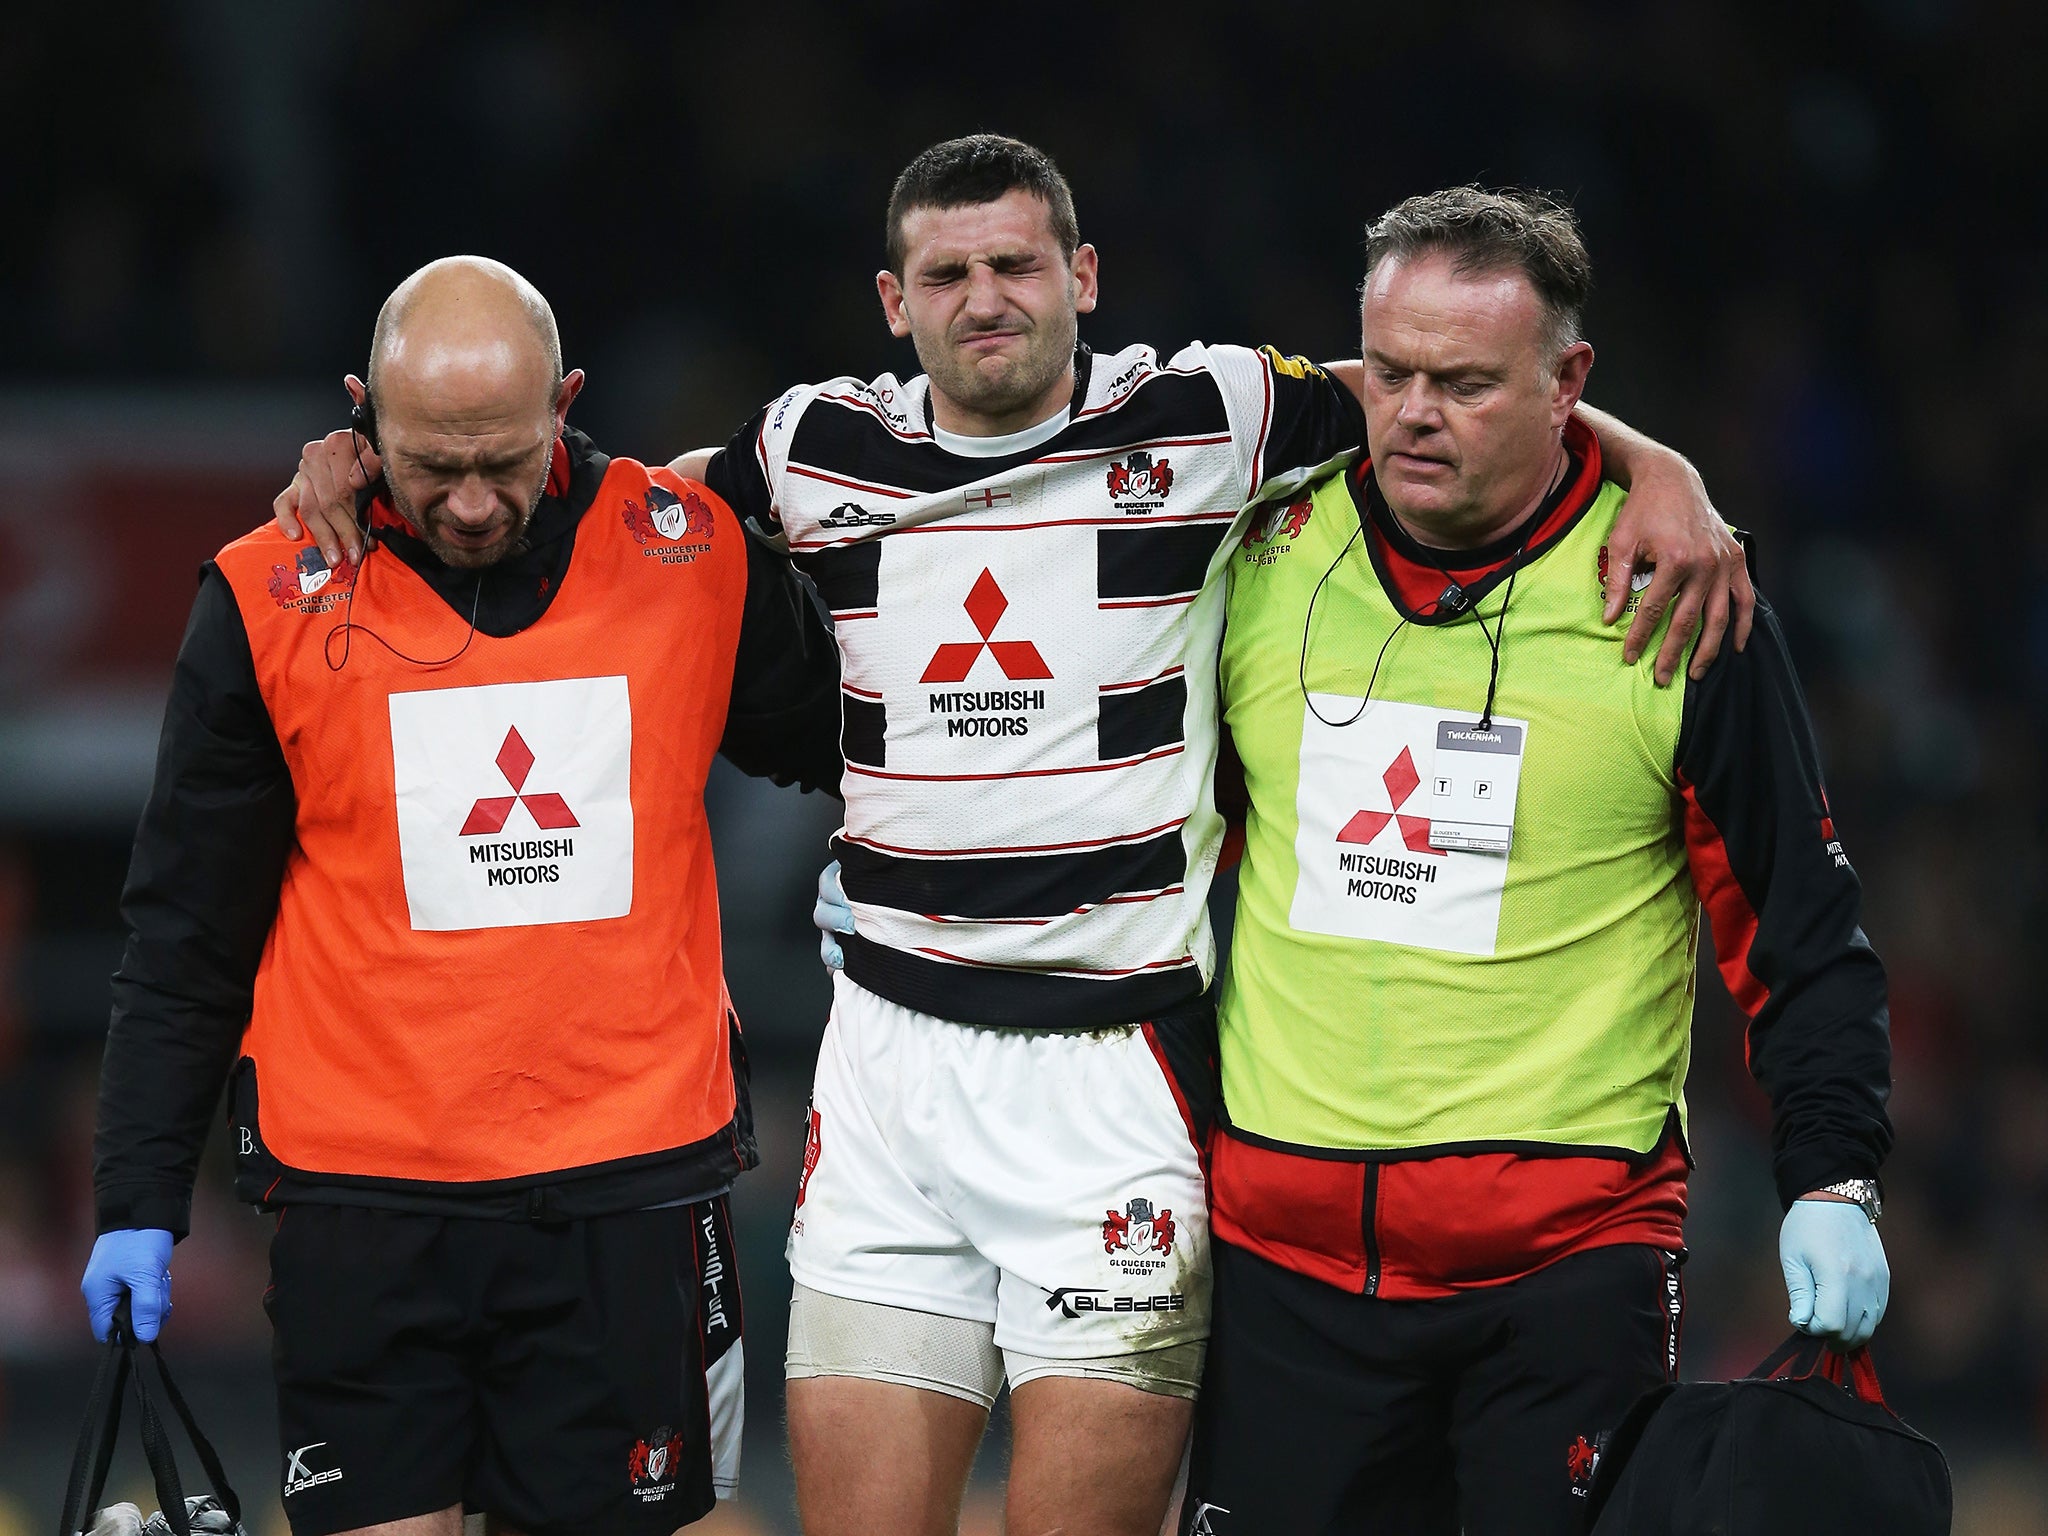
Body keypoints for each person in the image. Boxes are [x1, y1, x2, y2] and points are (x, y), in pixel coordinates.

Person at [277, 137, 1752, 1536]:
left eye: (1018, 265)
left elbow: (1446, 389)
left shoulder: (1214, 417)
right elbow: (574, 506)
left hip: (1114, 1078)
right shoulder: (811, 449)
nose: (986, 297)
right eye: (947, 273)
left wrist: (1658, 467)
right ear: (894, 302)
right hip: (888, 1067)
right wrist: (358, 462)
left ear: (1084, 276)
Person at [1169, 188, 1892, 1535]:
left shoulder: (1680, 604)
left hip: (1566, 1274)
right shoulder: (1258, 553)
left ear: (1569, 384)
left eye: (1465, 383)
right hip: (1282, 1267)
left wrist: (1834, 1179)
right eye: (1388, 372)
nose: (1414, 413)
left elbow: (1800, 933)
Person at [82, 257, 841, 1536]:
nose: (476, 504)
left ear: (567, 404)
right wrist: (137, 1198)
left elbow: (851, 739)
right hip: (363, 1214)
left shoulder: (693, 557)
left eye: (504, 458)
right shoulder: (266, 599)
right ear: (360, 420)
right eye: (434, 466)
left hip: (629, 1200)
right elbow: (184, 933)